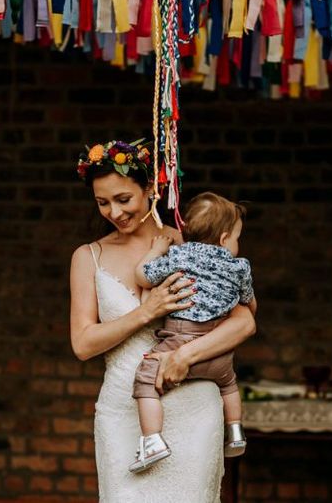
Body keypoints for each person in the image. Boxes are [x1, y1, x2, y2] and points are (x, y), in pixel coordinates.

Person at [69, 139, 256, 503]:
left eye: (123, 199)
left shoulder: (185, 243)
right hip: (124, 411)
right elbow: (83, 344)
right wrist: (147, 312)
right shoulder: (87, 257)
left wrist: (184, 356)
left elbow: (245, 322)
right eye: (102, 202)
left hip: (193, 403)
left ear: (150, 189)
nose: (114, 212)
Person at [129, 191, 257, 473]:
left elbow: (143, 274)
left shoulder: (179, 256)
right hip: (219, 353)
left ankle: (152, 441)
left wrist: (156, 250)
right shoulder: (239, 266)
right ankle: (235, 432)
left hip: (180, 339)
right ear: (225, 239)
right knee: (229, 384)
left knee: (146, 378)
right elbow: (249, 302)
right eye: (237, 238)